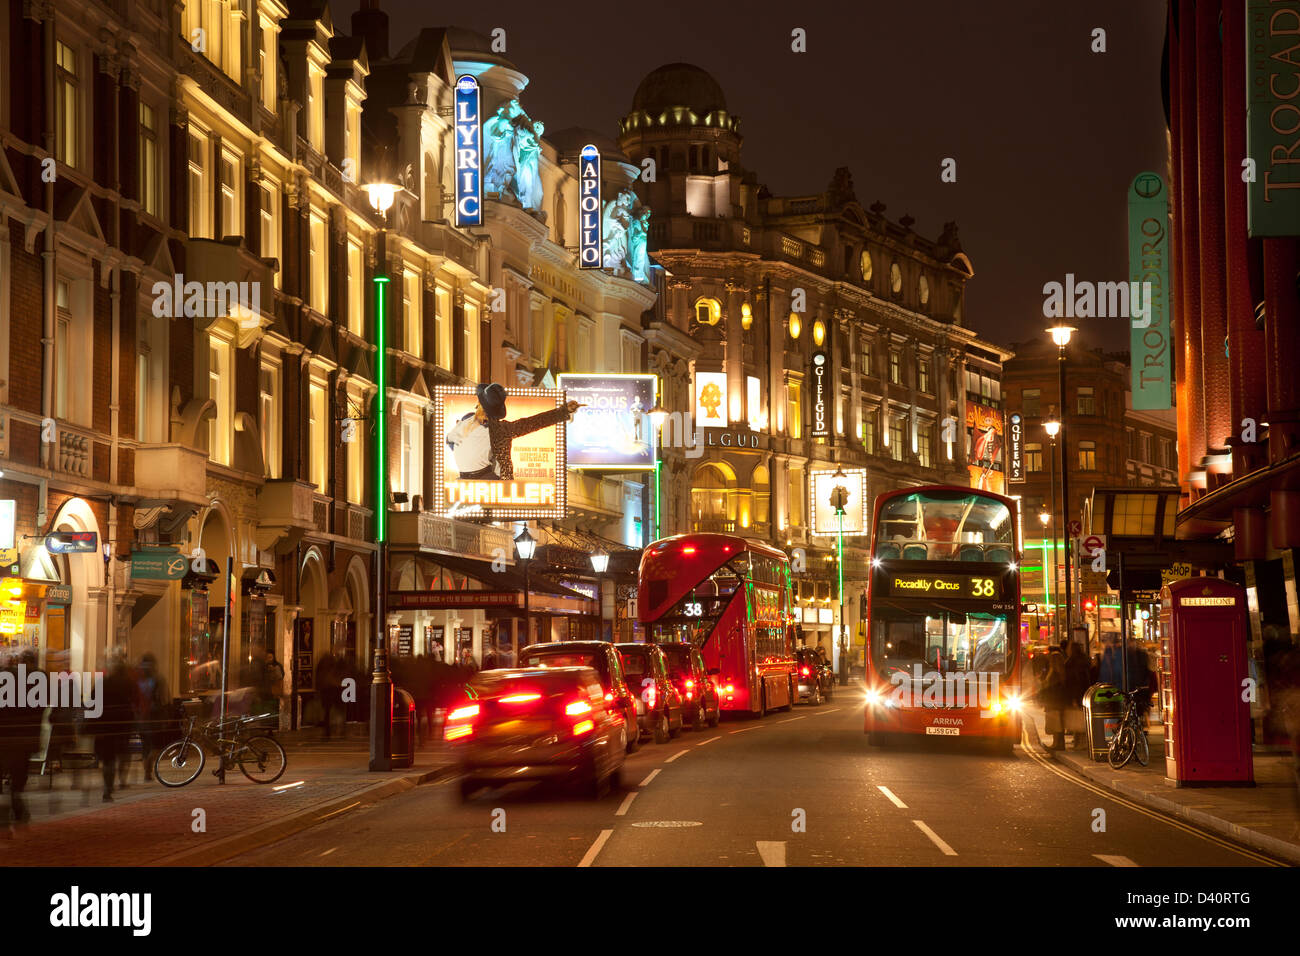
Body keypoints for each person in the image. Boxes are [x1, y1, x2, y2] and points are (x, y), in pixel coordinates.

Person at [449, 384, 582, 482]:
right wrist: (562, 412)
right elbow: (533, 423)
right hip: (485, 481)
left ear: (478, 404)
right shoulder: (501, 430)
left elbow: (449, 441)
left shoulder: (465, 421)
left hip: (463, 478)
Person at [0, 655, 41, 831]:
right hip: (24, 738)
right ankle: (17, 806)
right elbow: (41, 707)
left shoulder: (4, 676)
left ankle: (6, 810)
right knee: (19, 775)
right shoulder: (38, 679)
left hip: (5, 735)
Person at [92, 654, 136, 801]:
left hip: (104, 725)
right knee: (121, 754)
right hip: (122, 726)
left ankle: (107, 788)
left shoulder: (102, 683)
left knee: (108, 759)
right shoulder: (128, 683)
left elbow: (92, 702)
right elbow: (133, 702)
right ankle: (120, 780)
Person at [133, 653, 170, 783]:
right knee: (154, 745)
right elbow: (164, 699)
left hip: (141, 717)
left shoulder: (138, 679)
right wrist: (165, 716)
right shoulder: (159, 679)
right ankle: (148, 770)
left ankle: (146, 772)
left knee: (145, 745)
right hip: (155, 715)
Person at [1037, 647, 1067, 750]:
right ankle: (1057, 743)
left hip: (1054, 702)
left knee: (1056, 725)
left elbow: (1051, 689)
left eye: (1051, 659)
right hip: (1056, 702)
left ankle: (1058, 744)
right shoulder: (1058, 672)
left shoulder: (1055, 674)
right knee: (1057, 724)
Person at [1064, 642, 1092, 749]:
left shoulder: (1071, 662)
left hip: (1076, 693)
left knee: (1077, 719)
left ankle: (1079, 743)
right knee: (1081, 717)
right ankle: (1081, 741)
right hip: (1085, 692)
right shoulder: (1085, 660)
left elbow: (1072, 681)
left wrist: (1073, 698)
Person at [315, 652, 341, 740]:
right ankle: (333, 728)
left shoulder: (323, 669)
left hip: (327, 690)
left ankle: (328, 730)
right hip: (332, 689)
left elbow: (318, 679)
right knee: (334, 710)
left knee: (327, 711)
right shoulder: (333, 667)